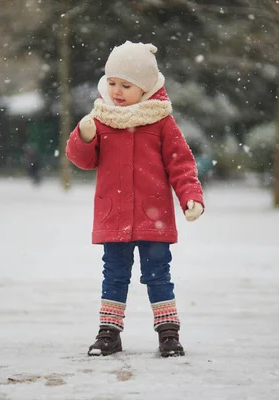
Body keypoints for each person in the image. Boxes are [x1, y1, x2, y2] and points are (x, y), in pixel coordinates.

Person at [65, 41, 204, 357]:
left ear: (145, 88)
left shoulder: (161, 121)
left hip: (152, 214)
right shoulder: (102, 118)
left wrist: (190, 197)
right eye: (112, 82)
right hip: (114, 214)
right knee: (114, 274)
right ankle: (109, 333)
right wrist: (83, 137)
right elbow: (84, 160)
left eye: (126, 85)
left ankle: (168, 333)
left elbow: (180, 163)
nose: (116, 90)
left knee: (158, 274)